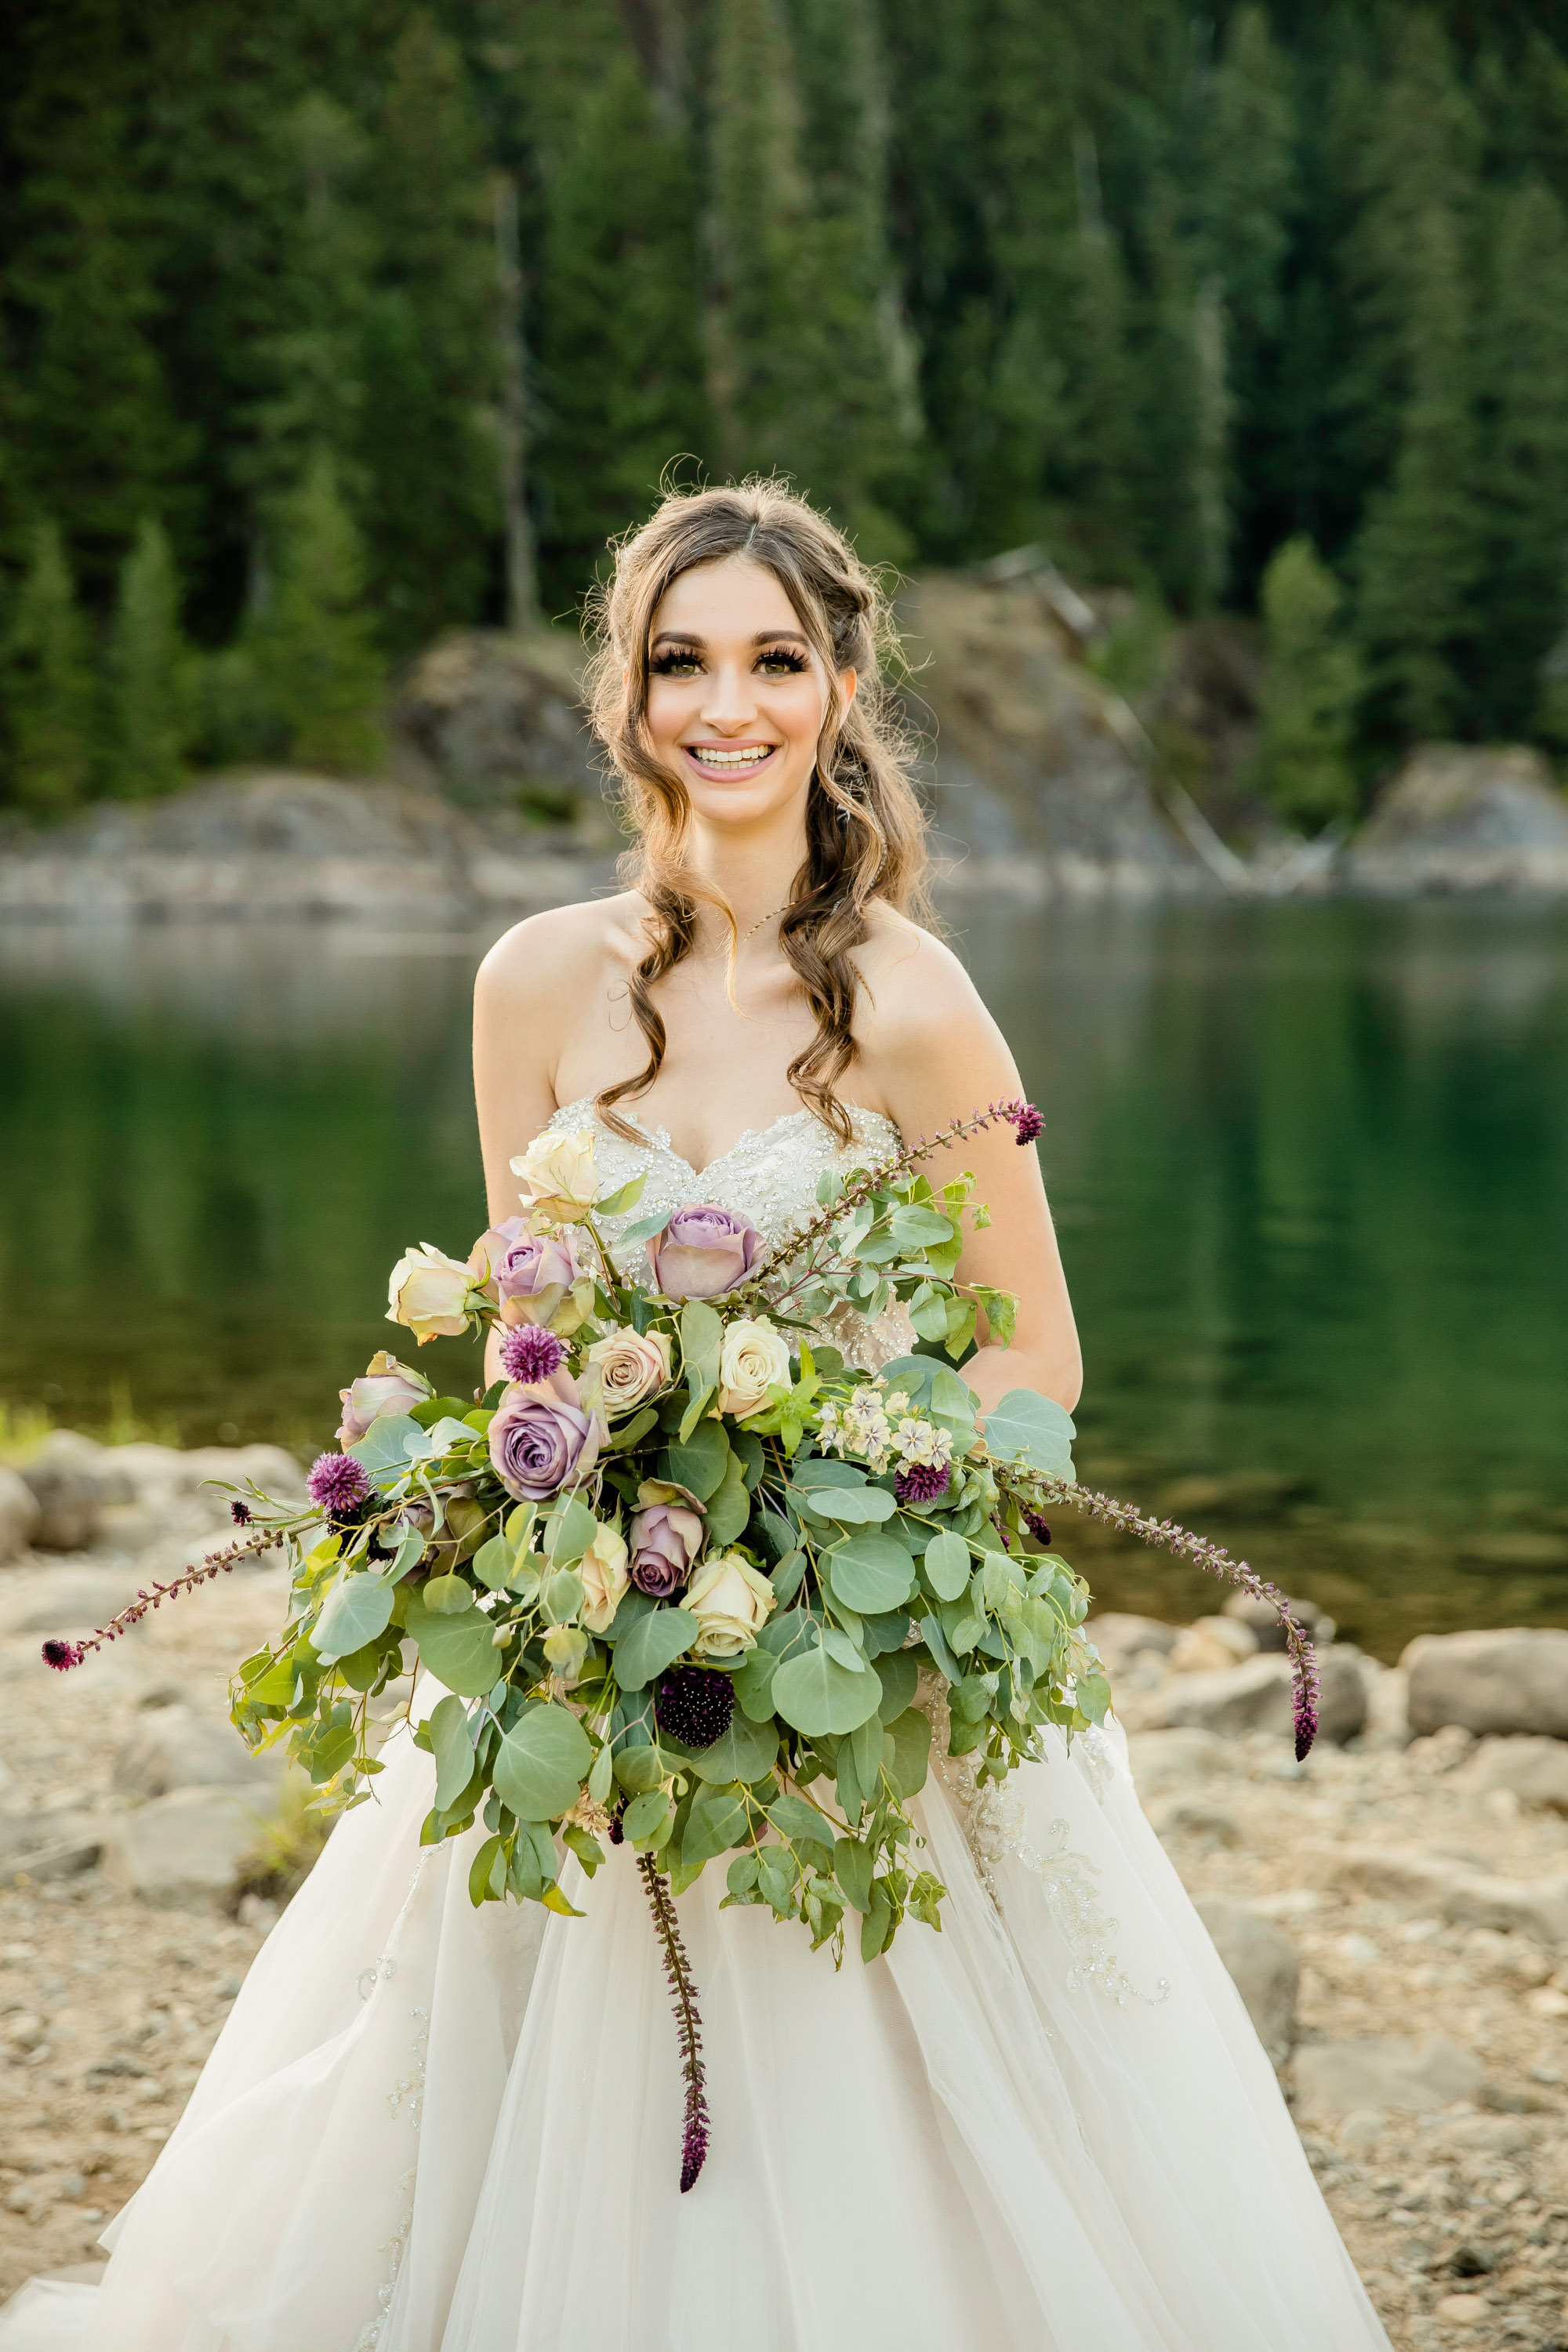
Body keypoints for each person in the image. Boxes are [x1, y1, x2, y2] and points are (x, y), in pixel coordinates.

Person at [0, 481, 1392, 2352]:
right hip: (583, 1638)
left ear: (835, 694)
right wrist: (543, 1536)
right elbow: (528, 1332)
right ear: (628, 695)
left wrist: (846, 1545)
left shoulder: (912, 1002)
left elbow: (1034, 1359)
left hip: (848, 1648)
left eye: (771, 661)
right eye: (681, 661)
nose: (724, 705)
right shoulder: (531, 981)